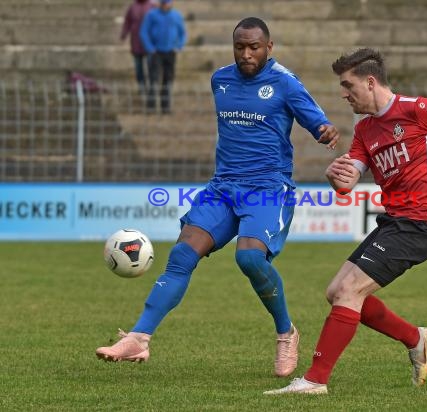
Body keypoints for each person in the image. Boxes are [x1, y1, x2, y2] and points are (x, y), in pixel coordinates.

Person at [96, 17, 340, 378]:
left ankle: (286, 333)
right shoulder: (220, 80)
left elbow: (317, 122)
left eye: (254, 47)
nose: (246, 54)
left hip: (268, 189)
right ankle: (139, 337)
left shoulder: (285, 83)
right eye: (239, 46)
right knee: (182, 253)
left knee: (250, 260)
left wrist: (324, 130)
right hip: (223, 188)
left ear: (268, 47)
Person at [264, 48, 427, 395]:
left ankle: (315, 380)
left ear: (370, 82)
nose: (343, 93)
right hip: (394, 223)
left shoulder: (418, 109)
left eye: (348, 85)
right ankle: (416, 338)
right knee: (336, 292)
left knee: (349, 291)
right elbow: (347, 182)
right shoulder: (365, 129)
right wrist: (333, 174)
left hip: (421, 224)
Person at [139, 0, 186, 113]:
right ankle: (151, 108)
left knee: (168, 80)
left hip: (170, 52)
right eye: (164, 3)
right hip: (156, 53)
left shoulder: (176, 15)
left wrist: (179, 46)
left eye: (168, 3)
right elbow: (144, 32)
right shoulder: (151, 15)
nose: (165, 5)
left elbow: (182, 33)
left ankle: (166, 108)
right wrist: (150, 48)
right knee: (154, 79)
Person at [120, 0, 154, 93]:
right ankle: (142, 87)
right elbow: (127, 22)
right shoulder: (133, 7)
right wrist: (124, 34)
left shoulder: (151, 6)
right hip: (136, 43)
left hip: (149, 44)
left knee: (151, 67)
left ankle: (151, 87)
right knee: (139, 69)